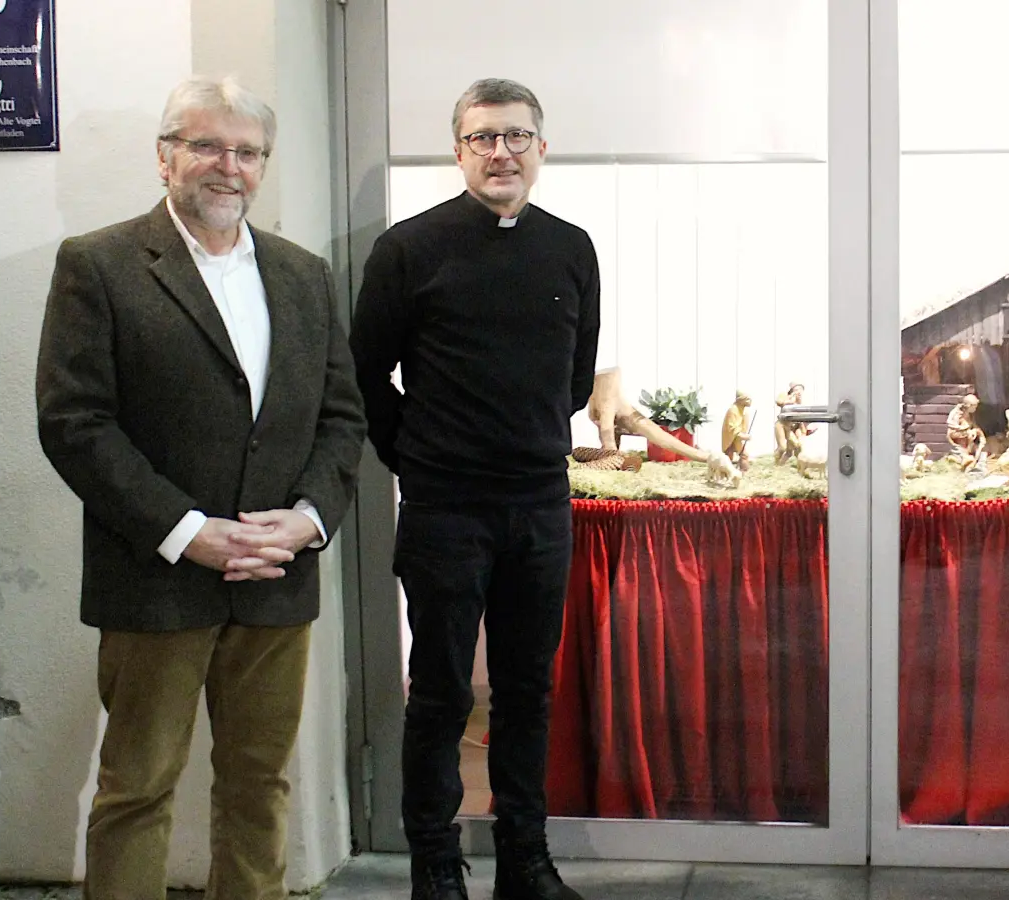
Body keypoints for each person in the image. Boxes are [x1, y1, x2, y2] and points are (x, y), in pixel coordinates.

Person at [34, 76, 366, 900]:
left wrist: (306, 522)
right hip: (156, 578)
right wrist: (189, 531)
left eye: (247, 152)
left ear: (264, 166)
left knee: (260, 787)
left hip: (276, 582)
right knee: (137, 788)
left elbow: (341, 418)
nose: (229, 167)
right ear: (165, 157)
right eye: (207, 146)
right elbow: (75, 423)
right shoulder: (99, 264)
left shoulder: (304, 276)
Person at [348, 78, 598, 900]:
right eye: (484, 137)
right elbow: (363, 373)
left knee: (529, 690)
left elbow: (573, 380)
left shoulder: (571, 248)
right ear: (457, 151)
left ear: (542, 149)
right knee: (444, 692)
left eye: (517, 136)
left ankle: (525, 860)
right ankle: (437, 866)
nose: (502, 152)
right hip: (445, 509)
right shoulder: (410, 250)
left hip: (539, 505)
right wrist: (416, 458)